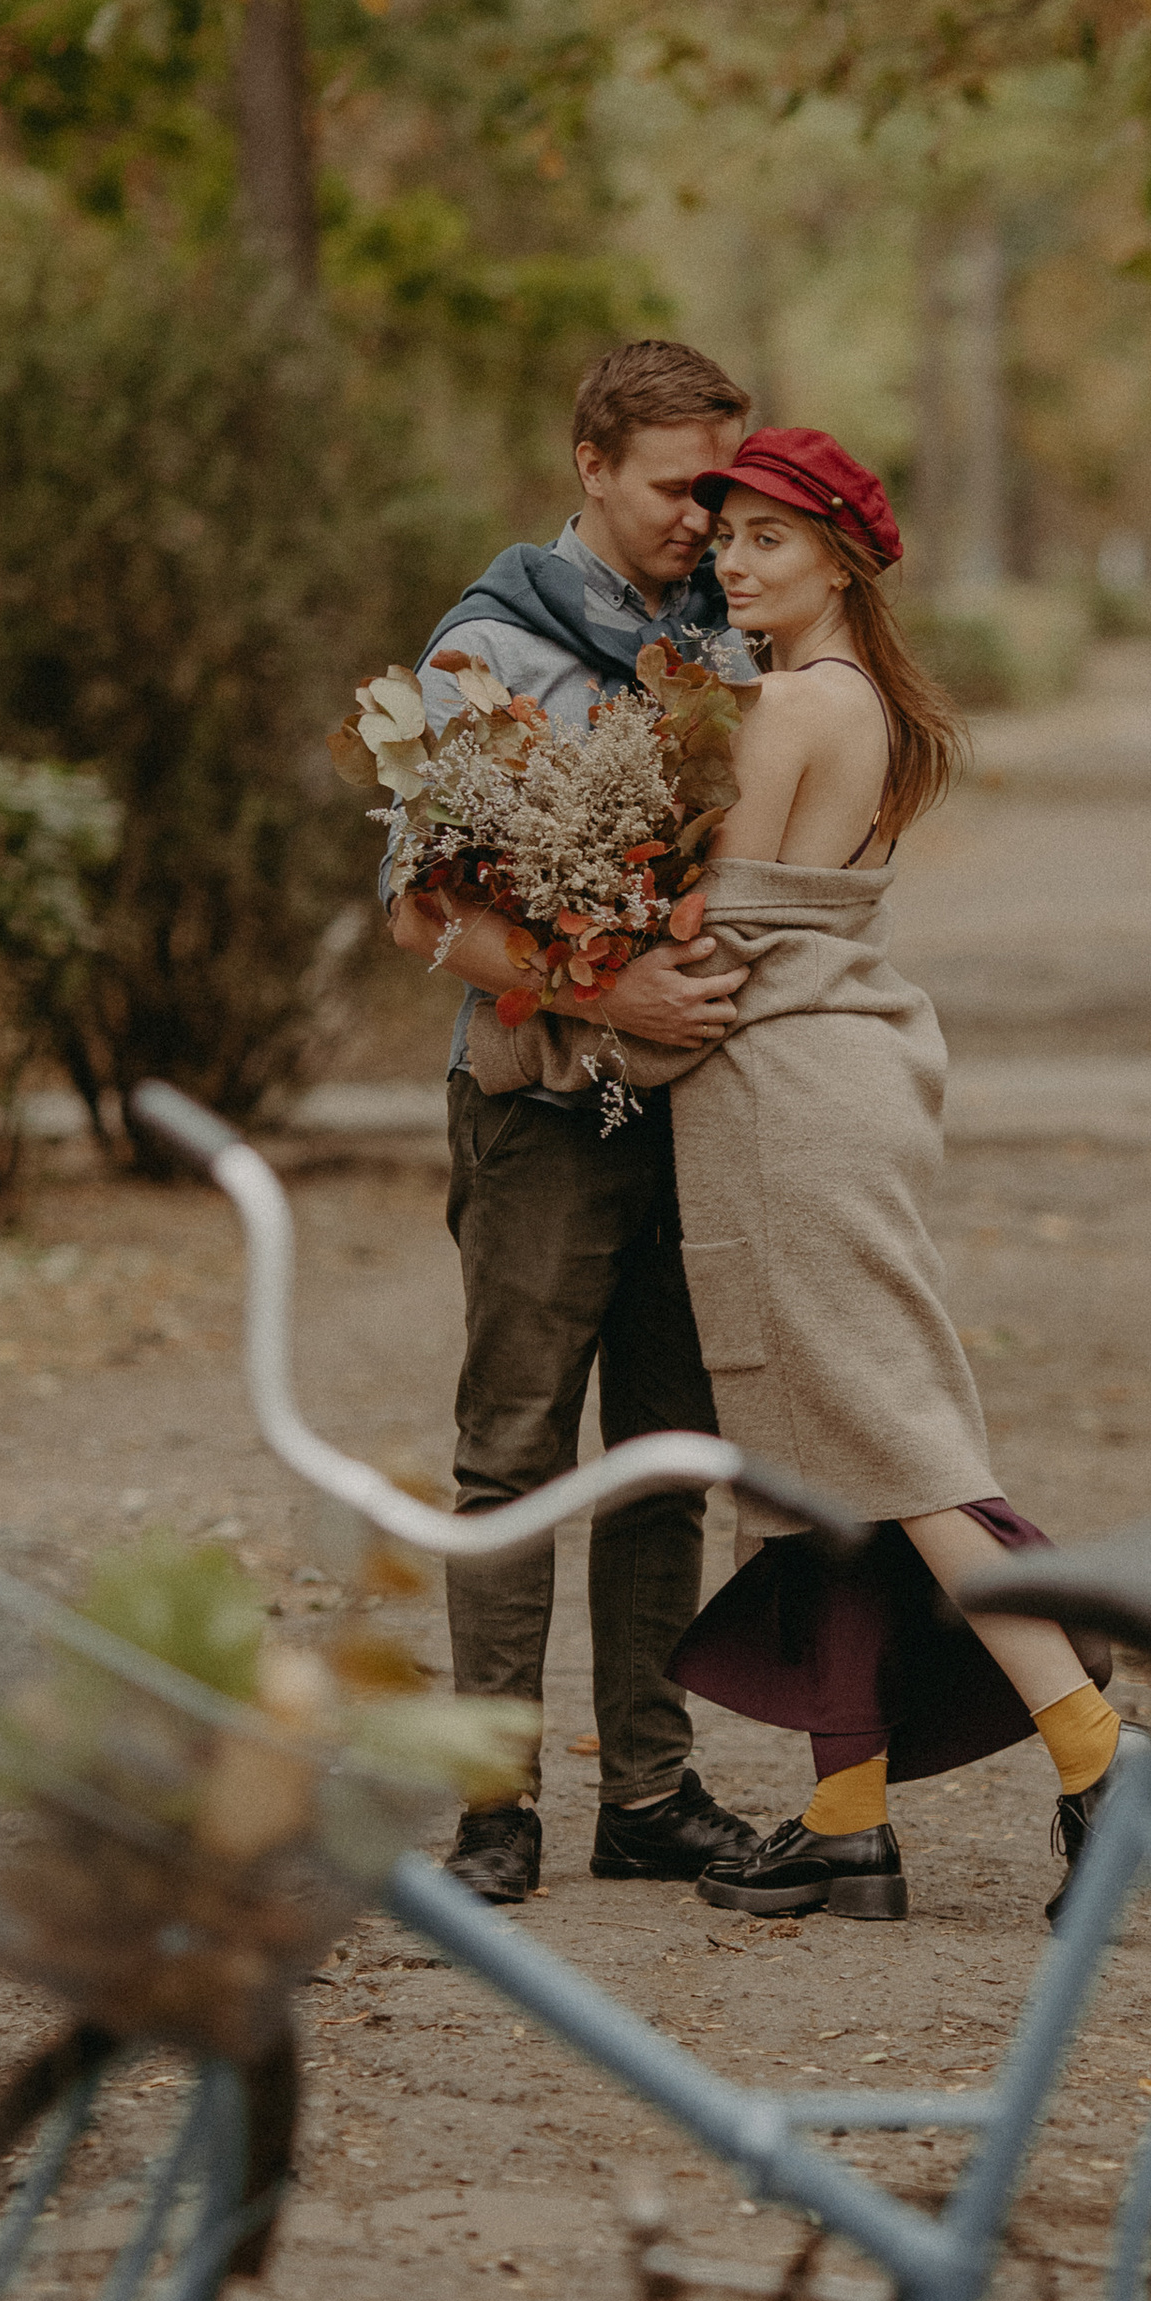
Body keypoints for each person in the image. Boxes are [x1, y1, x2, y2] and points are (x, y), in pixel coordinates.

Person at [650, 425, 1124, 1928]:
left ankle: (1100, 1760)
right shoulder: (863, 705)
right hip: (813, 1085)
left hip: (791, 1101)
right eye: (723, 537)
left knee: (896, 1446)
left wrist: (582, 953)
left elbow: (710, 935)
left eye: (766, 540)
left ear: (841, 556)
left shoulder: (792, 704)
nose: (733, 562)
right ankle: (846, 1817)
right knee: (814, 1469)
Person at [384, 339, 766, 1905]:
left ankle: (650, 1791)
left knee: (670, 1456)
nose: (703, 521)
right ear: (592, 466)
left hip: (700, 1117)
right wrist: (613, 1000)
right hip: (538, 1115)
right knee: (517, 1458)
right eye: (681, 491)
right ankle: (492, 1810)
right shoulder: (484, 652)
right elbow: (423, 919)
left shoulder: (732, 634)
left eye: (721, 492)